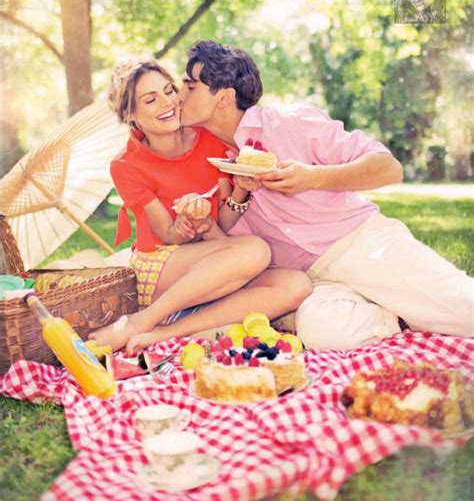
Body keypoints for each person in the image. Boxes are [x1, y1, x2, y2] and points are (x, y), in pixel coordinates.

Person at [178, 40, 473, 351]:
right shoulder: (216, 160)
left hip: (361, 244)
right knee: (322, 333)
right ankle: (400, 315)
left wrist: (312, 177)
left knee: (464, 309)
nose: (180, 94)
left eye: (190, 86)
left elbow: (388, 167)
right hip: (315, 279)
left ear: (224, 97)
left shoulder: (291, 123)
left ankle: (416, 304)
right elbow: (233, 244)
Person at [90, 56, 311, 354]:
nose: (167, 103)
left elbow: (222, 220)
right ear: (130, 113)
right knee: (255, 249)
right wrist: (184, 224)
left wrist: (239, 193)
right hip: (163, 264)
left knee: (296, 285)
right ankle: (140, 321)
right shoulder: (126, 165)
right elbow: (168, 235)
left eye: (169, 91)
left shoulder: (209, 139)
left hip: (211, 261)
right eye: (151, 99)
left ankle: (165, 333)